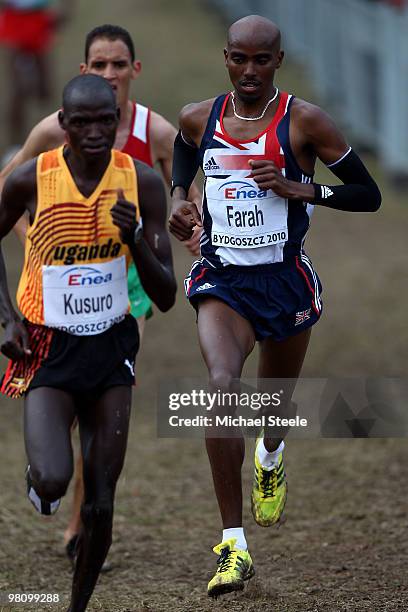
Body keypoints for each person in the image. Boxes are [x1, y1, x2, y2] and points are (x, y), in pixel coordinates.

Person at [169, 14, 381, 598]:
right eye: (240, 58)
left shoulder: (305, 121)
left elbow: (369, 195)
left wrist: (301, 188)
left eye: (262, 60)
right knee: (221, 387)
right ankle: (233, 545)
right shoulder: (200, 115)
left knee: (272, 408)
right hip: (224, 281)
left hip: (284, 282)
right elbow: (185, 155)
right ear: (226, 56)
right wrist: (177, 200)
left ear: (278, 61)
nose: (250, 71)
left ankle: (271, 454)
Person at [0, 23, 200, 563]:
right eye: (100, 65)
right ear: (83, 71)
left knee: (103, 401)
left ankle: (84, 522)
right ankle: (50, 477)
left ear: (135, 70)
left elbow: (181, 197)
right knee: (63, 407)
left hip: (128, 278)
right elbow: (10, 192)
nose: (110, 74)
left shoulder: (155, 132)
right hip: (60, 274)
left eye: (119, 65)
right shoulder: (50, 131)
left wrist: (186, 222)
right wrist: (31, 239)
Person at [0, 0, 72, 149]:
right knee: (16, 90)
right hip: (14, 17)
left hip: (39, 17)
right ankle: (15, 146)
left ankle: (51, 138)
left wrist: (66, 8)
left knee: (44, 89)